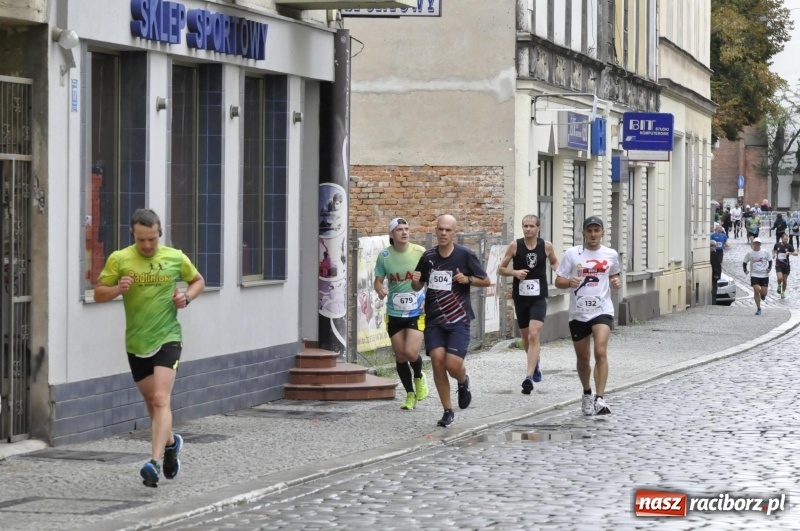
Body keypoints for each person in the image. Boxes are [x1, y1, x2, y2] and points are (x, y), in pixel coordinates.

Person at [94, 209, 205, 488]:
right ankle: (171, 444)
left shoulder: (174, 257)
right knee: (152, 404)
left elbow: (197, 281)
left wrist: (186, 298)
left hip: (168, 337)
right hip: (136, 341)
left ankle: (153, 462)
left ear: (159, 235)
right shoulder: (119, 259)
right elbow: (98, 294)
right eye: (141, 240)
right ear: (133, 235)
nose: (146, 246)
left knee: (160, 399)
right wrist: (118, 289)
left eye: (152, 240)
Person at [412, 215, 489, 427]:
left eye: (447, 230)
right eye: (440, 229)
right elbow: (418, 286)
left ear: (454, 233)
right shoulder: (428, 256)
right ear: (435, 231)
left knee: (453, 365)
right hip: (434, 320)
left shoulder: (465, 255)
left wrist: (469, 279)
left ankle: (463, 381)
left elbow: (486, 280)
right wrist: (415, 282)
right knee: (437, 361)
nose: (443, 233)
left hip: (458, 318)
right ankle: (447, 410)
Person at [555, 216, 621, 416]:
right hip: (579, 312)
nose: (593, 235)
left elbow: (613, 275)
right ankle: (586, 393)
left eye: (596, 231)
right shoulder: (572, 254)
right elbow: (558, 280)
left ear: (603, 233)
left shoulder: (610, 254)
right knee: (583, 359)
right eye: (589, 231)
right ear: (583, 232)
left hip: (602, 309)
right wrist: (569, 283)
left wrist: (615, 282)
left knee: (600, 352)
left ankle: (600, 399)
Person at [498, 214, 560, 394]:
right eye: (525, 226)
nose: (528, 229)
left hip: (539, 296)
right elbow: (501, 268)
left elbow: (555, 261)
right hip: (521, 297)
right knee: (526, 338)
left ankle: (528, 376)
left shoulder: (546, 246)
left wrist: (561, 272)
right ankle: (536, 363)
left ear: (538, 228)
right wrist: (515, 273)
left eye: (532, 226)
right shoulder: (515, 245)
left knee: (534, 334)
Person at [374, 218, 429, 410]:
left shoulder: (420, 252)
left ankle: (420, 377)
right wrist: (379, 288)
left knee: (411, 352)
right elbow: (378, 280)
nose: (404, 232)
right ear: (391, 234)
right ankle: (409, 394)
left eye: (406, 229)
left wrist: (428, 301)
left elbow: (431, 279)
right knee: (399, 355)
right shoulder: (384, 256)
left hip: (416, 310)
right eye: (399, 230)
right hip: (394, 312)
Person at [743, 237, 772, 316]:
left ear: (760, 244)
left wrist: (769, 268)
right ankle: (758, 308)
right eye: (755, 243)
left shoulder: (765, 252)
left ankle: (763, 294)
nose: (757, 244)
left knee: (764, 292)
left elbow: (770, 260)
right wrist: (745, 270)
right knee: (756, 290)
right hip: (754, 274)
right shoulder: (750, 253)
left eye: (758, 243)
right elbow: (745, 262)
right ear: (753, 244)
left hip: (764, 274)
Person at [773, 232, 797, 299]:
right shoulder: (777, 245)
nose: (786, 241)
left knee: (784, 280)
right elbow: (774, 250)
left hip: (786, 266)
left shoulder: (789, 246)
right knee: (780, 278)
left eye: (787, 239)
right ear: (781, 238)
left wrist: (790, 253)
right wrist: (773, 254)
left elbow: (796, 253)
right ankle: (779, 285)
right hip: (778, 264)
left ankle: (783, 292)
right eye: (785, 239)